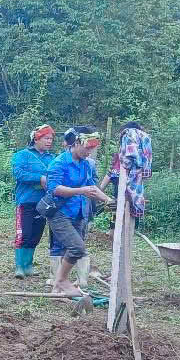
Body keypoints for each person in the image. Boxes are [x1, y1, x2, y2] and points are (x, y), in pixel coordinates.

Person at [44, 126, 112, 297]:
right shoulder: (59, 163)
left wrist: (109, 201)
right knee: (76, 247)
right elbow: (54, 189)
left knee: (73, 248)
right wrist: (80, 191)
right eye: (87, 147)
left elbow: (92, 188)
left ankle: (57, 288)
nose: (90, 151)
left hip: (79, 212)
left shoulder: (86, 165)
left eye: (93, 148)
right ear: (75, 144)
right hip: (59, 212)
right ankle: (61, 280)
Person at [10, 125, 57, 278]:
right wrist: (40, 178)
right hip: (26, 201)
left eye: (51, 139)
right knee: (24, 233)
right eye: (46, 138)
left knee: (36, 234)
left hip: (43, 202)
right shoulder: (22, 155)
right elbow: (19, 173)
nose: (49, 141)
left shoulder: (52, 158)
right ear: (36, 139)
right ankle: (19, 266)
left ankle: (29, 265)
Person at [98, 121, 153, 224]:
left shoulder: (127, 152)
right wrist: (99, 192)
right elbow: (111, 172)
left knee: (121, 210)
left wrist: (99, 191)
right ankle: (116, 231)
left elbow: (110, 173)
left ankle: (118, 231)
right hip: (123, 182)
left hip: (124, 182)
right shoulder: (130, 153)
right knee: (119, 209)